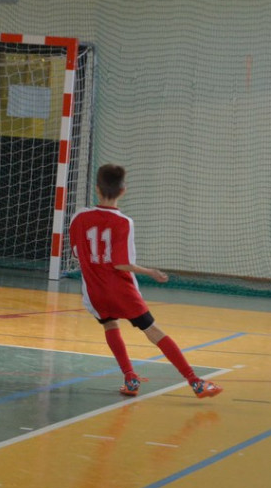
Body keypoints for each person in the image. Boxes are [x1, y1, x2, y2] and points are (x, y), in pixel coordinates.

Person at [68, 164, 223, 398]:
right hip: (122, 291)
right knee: (153, 331)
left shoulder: (80, 217)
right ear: (123, 190)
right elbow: (121, 263)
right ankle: (195, 381)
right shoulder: (123, 222)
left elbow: (76, 253)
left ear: (97, 189)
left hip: (95, 290)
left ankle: (130, 377)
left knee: (110, 325)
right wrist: (150, 272)